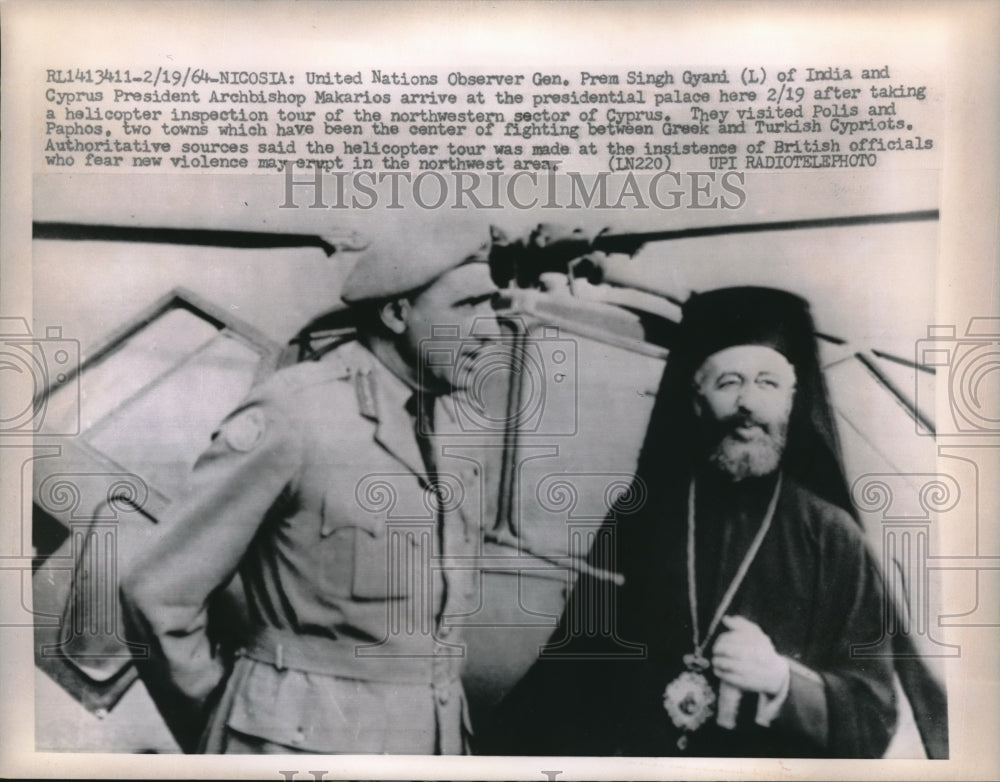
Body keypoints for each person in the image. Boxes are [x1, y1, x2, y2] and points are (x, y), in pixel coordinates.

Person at [121, 225, 500, 754]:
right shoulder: (295, 413)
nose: (491, 331)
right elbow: (156, 591)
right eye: (467, 307)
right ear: (396, 314)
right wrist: (222, 725)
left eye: (492, 307)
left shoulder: (455, 426)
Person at [483, 286, 898, 758]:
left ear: (791, 402)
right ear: (697, 400)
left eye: (767, 383)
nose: (747, 404)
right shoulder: (639, 516)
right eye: (728, 383)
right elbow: (572, 669)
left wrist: (783, 682)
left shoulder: (833, 538)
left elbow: (873, 719)